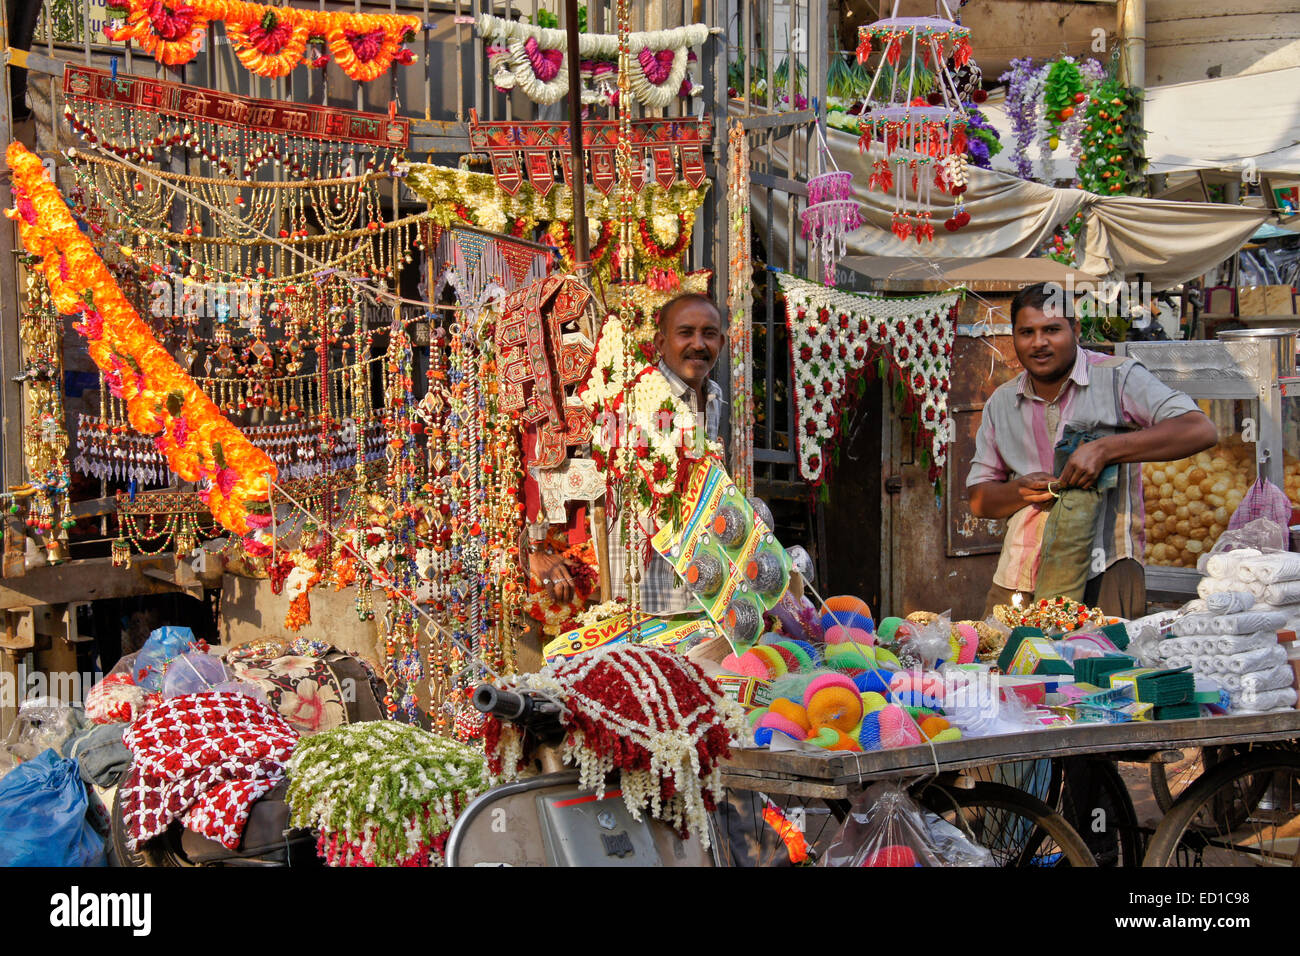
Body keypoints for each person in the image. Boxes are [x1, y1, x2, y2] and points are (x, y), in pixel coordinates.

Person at [967, 282, 1218, 619]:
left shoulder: (1118, 378)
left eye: (1052, 330)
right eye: (1027, 332)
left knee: (1104, 668)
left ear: (1075, 329)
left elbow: (1199, 429)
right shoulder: (1002, 402)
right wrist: (1020, 491)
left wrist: (1106, 449)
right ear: (1014, 337)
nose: (1039, 342)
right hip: (1020, 574)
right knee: (1008, 666)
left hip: (1106, 569)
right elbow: (980, 499)